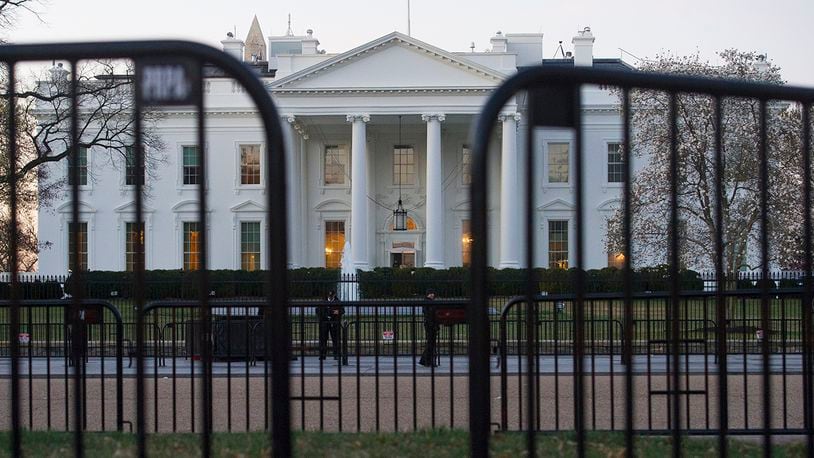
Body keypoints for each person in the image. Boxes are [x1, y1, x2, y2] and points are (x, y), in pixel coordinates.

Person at [318, 289, 343, 360]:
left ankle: (336, 354)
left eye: (332, 296)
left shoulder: (338, 302)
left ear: (334, 295)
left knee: (335, 339)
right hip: (325, 323)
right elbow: (318, 311)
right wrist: (325, 314)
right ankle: (322, 354)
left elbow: (342, 311)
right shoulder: (323, 301)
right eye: (329, 296)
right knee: (323, 339)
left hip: (334, 323)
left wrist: (333, 312)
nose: (330, 297)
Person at [419, 289, 439, 367]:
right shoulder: (428, 302)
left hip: (431, 325)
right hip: (430, 325)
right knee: (431, 343)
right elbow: (429, 314)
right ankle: (428, 361)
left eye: (432, 293)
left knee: (431, 343)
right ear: (427, 295)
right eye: (430, 294)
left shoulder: (430, 302)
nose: (432, 295)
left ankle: (424, 360)